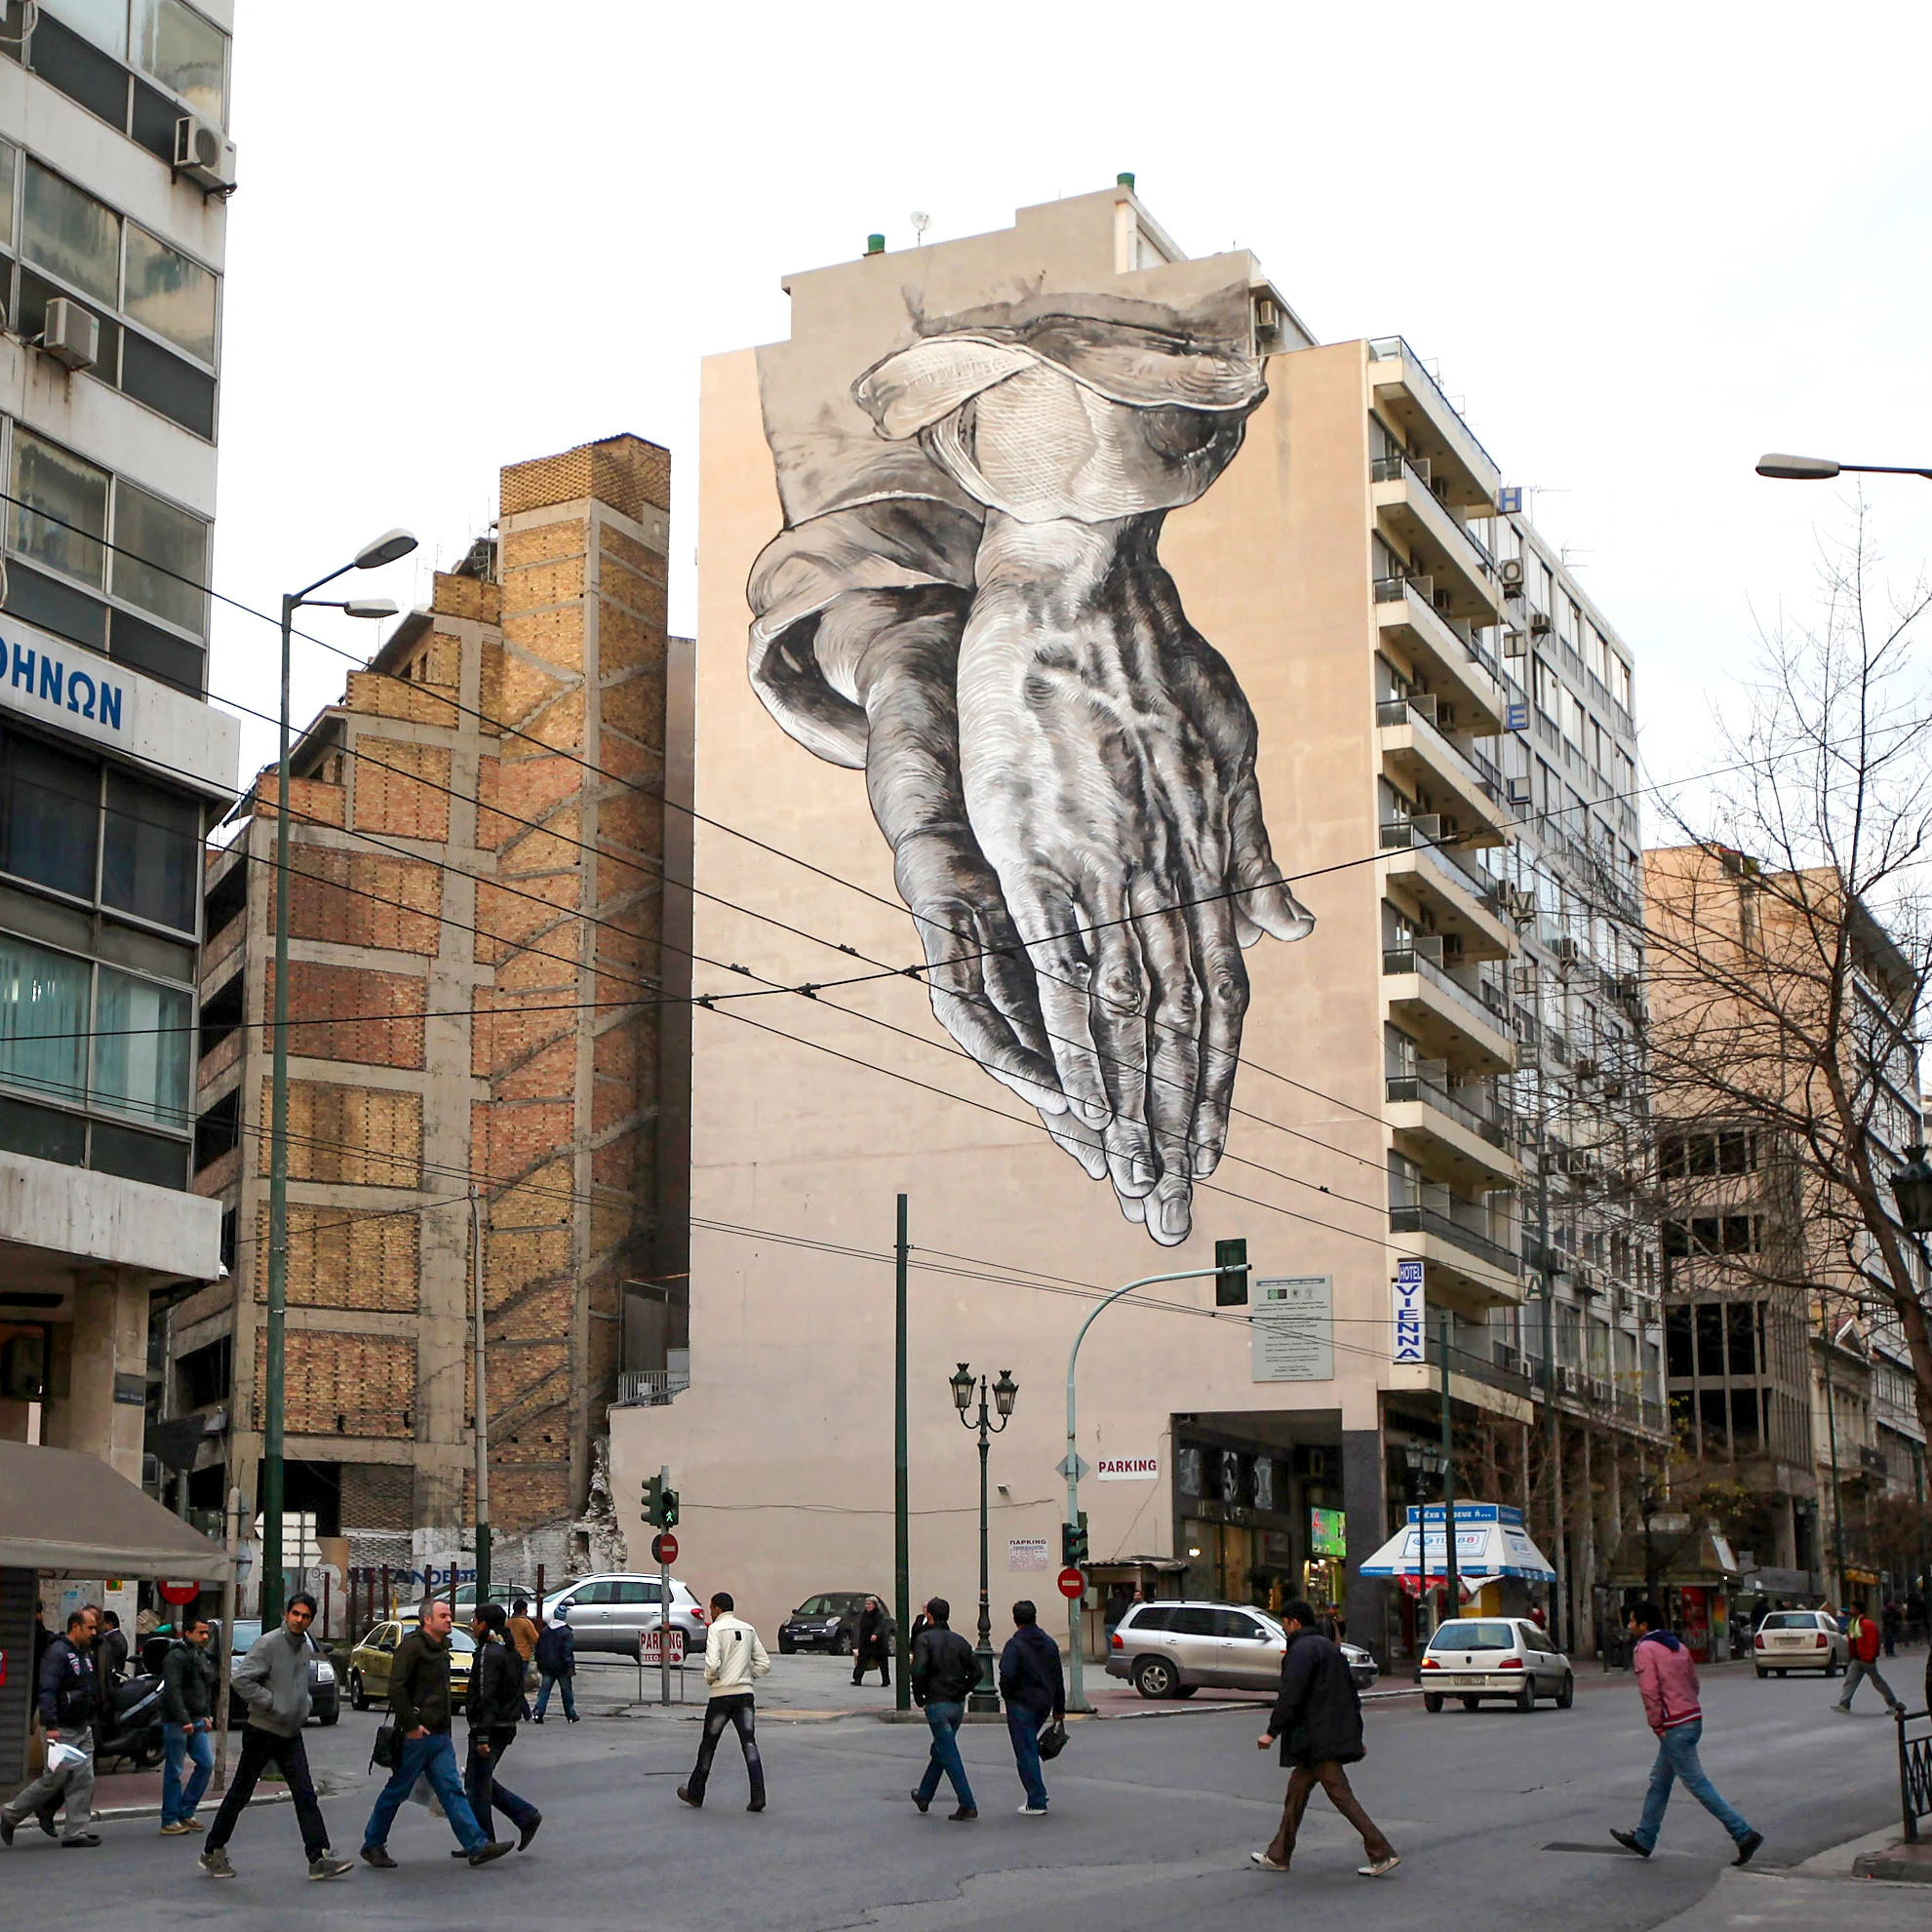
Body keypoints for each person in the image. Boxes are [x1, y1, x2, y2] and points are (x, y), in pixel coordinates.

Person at [200, 1594, 351, 1880]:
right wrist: (272, 1702)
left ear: (311, 1620)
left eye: (305, 1616)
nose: (299, 1620)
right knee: (240, 1793)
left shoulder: (304, 1647)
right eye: (295, 1614)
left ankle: (318, 1858)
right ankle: (212, 1850)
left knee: (305, 1794)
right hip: (262, 1730)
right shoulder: (268, 1644)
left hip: (290, 1732)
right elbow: (241, 1679)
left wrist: (304, 1704)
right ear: (286, 1614)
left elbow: (299, 1684)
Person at [1250, 1597, 1397, 1878]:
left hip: (1315, 1739)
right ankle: (1278, 1854)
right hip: (1325, 1737)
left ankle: (1381, 1851)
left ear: (1294, 1623)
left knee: (1341, 1796)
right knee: (1296, 1792)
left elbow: (1290, 1694)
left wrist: (1271, 1732)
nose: (1284, 1628)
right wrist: (1355, 1735)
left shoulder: (1300, 1652)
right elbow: (1350, 1696)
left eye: (1285, 1623)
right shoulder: (1330, 1649)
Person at [359, 1597, 509, 1870]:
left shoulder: (442, 1648)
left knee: (452, 1790)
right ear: (427, 1620)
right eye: (443, 1615)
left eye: (449, 1615)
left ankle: (477, 1845)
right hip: (417, 1736)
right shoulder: (413, 1646)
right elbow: (397, 1688)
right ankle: (373, 1843)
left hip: (440, 1735)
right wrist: (411, 1724)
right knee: (398, 1789)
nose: (449, 1619)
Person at [1611, 1599, 1760, 1865]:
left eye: (1632, 1621)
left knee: (1697, 1783)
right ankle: (1645, 1837)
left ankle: (1743, 1833)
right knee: (1660, 1780)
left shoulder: (1645, 1648)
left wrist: (1656, 1724)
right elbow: (1694, 1682)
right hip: (1691, 1717)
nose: (1630, 1625)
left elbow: (1649, 1690)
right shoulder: (1677, 1646)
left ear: (1644, 1625)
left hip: (1674, 1725)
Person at [1, 1607, 101, 1849]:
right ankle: (10, 1814)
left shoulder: (85, 1653)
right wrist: (51, 1724)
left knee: (83, 1779)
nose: (94, 1632)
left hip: (81, 1727)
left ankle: (76, 1831)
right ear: (75, 1627)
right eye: (90, 1628)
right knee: (54, 1779)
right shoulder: (57, 1652)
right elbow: (46, 1690)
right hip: (62, 1729)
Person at [677, 1592, 769, 1812]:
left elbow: (712, 1664)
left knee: (708, 1745)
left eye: (711, 1608)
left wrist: (712, 1679)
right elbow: (764, 1663)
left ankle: (695, 1793)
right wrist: (747, 1675)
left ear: (717, 1608)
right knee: (749, 1743)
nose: (710, 1612)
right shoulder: (748, 1629)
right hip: (745, 1694)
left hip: (721, 1695)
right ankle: (758, 1796)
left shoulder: (716, 1629)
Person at [460, 1604, 541, 1854]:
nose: (472, 1625)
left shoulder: (489, 1653)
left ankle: (484, 1840)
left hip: (491, 1727)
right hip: (503, 1725)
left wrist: (483, 1734)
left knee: (476, 1785)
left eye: (475, 1620)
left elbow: (487, 1694)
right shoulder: (508, 1651)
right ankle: (521, 1818)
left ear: (484, 1624)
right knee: (479, 1781)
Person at [908, 1596, 978, 1822]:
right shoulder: (960, 1641)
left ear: (929, 1616)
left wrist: (920, 1696)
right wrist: (963, 1689)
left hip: (937, 1700)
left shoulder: (924, 1639)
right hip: (956, 1702)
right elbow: (977, 1672)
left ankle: (967, 1803)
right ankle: (924, 1794)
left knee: (948, 1753)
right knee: (942, 1749)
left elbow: (918, 1670)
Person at [997, 1599, 1064, 1818]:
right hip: (1044, 1702)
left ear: (1015, 1620)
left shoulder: (1014, 1645)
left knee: (1025, 1751)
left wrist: (1008, 1696)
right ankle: (1038, 1792)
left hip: (1021, 1702)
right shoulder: (1049, 1643)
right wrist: (1059, 1708)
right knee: (1030, 1747)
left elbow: (1007, 1674)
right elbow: (1058, 1677)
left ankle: (1036, 1799)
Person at [159, 1615, 219, 1835]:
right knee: (174, 1770)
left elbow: (205, 1687)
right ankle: (170, 1818)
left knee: (206, 1764)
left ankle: (186, 1811)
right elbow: (172, 1690)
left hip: (196, 1720)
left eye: (206, 1633)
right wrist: (184, 1719)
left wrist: (206, 1715)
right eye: (200, 1633)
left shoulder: (200, 1655)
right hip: (177, 1722)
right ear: (187, 1633)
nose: (205, 1637)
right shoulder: (176, 1657)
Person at [1836, 1602, 1905, 1716]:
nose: (1851, 1610)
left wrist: (1870, 1656)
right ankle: (1844, 1703)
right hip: (1857, 1658)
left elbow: (1873, 1642)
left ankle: (1893, 1703)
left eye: (1853, 1608)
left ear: (1859, 1610)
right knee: (1850, 1680)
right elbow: (1853, 1641)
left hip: (1866, 1659)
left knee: (1877, 1682)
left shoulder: (1867, 1625)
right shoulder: (1854, 1623)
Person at [532, 1604, 578, 1723]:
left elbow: (539, 1648)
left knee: (544, 1690)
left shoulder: (545, 1631)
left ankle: (538, 1712)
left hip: (547, 1665)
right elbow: (567, 1652)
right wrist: (570, 1667)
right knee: (566, 1691)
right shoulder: (566, 1632)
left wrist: (539, 1662)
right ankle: (570, 1714)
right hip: (561, 1667)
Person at [851, 1596, 891, 1688]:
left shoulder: (879, 1615)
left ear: (875, 1605)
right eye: (866, 1604)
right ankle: (857, 1679)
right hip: (866, 1642)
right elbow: (862, 1628)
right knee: (861, 1661)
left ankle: (886, 1680)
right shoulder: (864, 1615)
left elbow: (880, 1626)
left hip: (878, 1643)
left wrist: (875, 1634)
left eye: (869, 1604)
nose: (867, 1606)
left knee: (882, 1662)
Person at [97, 1610, 129, 1692]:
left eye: (101, 1624)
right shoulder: (116, 1637)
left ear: (110, 1625)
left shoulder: (113, 1640)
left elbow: (108, 1664)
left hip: (110, 1685)